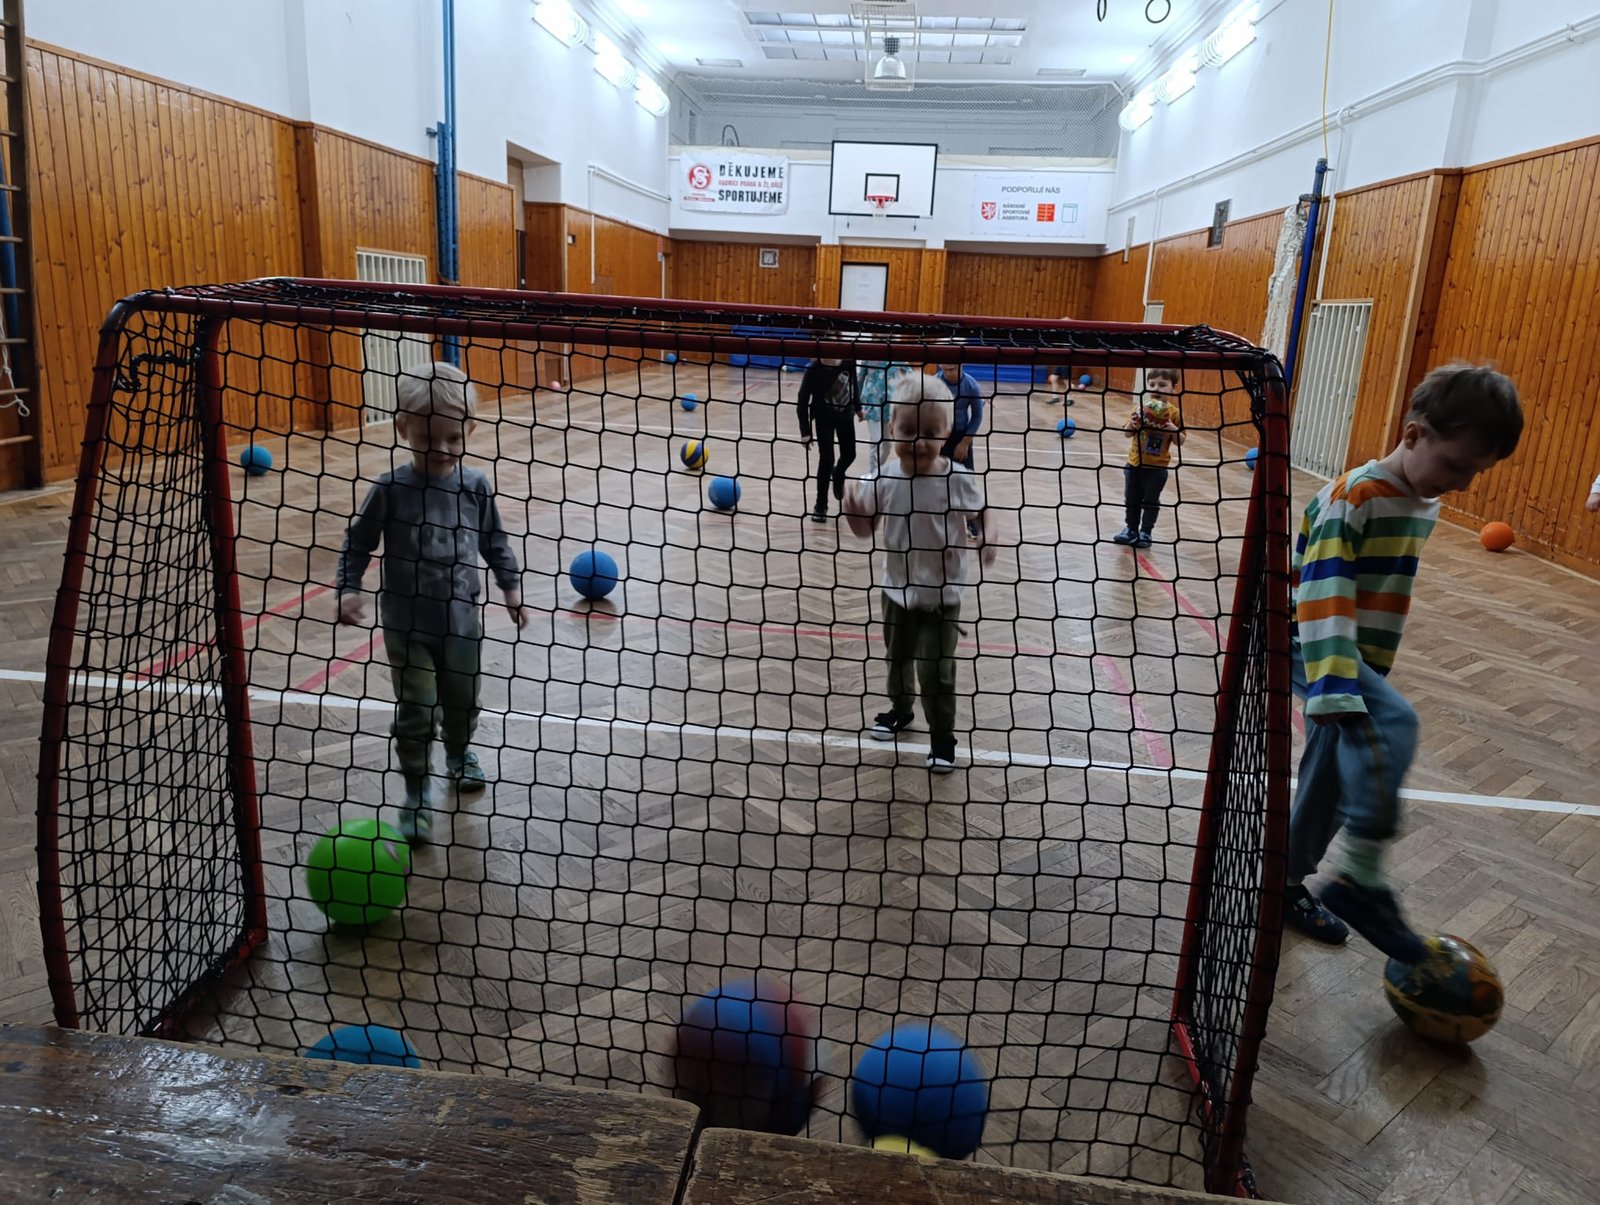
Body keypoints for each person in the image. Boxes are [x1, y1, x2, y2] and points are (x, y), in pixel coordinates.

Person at [1285, 363, 1523, 961]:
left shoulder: (1422, 499)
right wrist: (1336, 685)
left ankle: (1280, 884)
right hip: (1310, 641)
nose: (1463, 483)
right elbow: (1322, 593)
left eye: (1476, 472)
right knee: (1394, 723)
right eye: (1456, 465)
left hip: (1356, 656)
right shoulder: (1355, 496)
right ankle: (1361, 879)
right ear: (1413, 434)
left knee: (1331, 778)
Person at [337, 361, 528, 844]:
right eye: (427, 438)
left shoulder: (475, 486)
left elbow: (494, 540)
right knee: (417, 709)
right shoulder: (390, 489)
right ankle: (417, 792)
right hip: (407, 625)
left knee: (462, 702)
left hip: (461, 623)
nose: (441, 449)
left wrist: (510, 587)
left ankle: (460, 752)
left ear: (470, 431)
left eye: (453, 438)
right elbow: (357, 543)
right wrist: (348, 587)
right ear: (403, 429)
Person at [843, 372, 995, 774]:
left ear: (946, 432)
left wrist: (988, 537)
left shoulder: (956, 478)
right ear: (892, 427)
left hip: (943, 596)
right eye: (908, 430)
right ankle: (901, 709)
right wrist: (852, 511)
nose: (917, 442)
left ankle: (942, 736)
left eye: (929, 432)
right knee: (897, 659)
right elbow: (865, 530)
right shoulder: (882, 478)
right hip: (896, 590)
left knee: (936, 670)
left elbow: (983, 512)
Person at [1112, 366, 1185, 549]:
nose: (1156, 388)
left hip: (1157, 468)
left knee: (1151, 502)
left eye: (1162, 385)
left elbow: (1181, 441)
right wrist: (1132, 423)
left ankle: (1146, 532)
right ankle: (1130, 529)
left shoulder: (1174, 413)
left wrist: (1172, 428)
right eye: (1152, 384)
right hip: (1134, 464)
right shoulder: (1140, 408)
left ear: (1173, 388)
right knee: (1131, 499)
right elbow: (1127, 434)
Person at [798, 356, 860, 522]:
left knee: (850, 454)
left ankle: (838, 473)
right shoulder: (813, 370)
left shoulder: (848, 362)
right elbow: (802, 401)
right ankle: (820, 506)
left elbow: (853, 385)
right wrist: (805, 432)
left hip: (845, 417)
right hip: (823, 418)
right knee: (827, 459)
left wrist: (858, 407)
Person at [855, 359, 907, 479]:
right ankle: (874, 475)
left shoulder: (897, 357)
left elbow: (909, 374)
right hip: (872, 404)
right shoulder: (868, 358)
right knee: (876, 441)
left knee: (887, 446)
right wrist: (856, 406)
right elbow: (860, 380)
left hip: (890, 405)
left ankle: (879, 470)